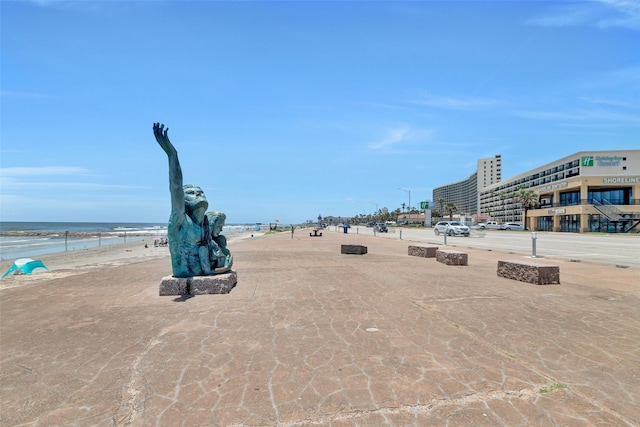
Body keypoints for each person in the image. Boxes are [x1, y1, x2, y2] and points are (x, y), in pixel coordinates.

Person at [154, 123, 221, 277]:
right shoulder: (180, 219)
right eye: (192, 193)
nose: (199, 194)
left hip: (202, 269)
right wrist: (172, 155)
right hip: (185, 272)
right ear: (183, 200)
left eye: (201, 192)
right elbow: (176, 187)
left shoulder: (203, 222)